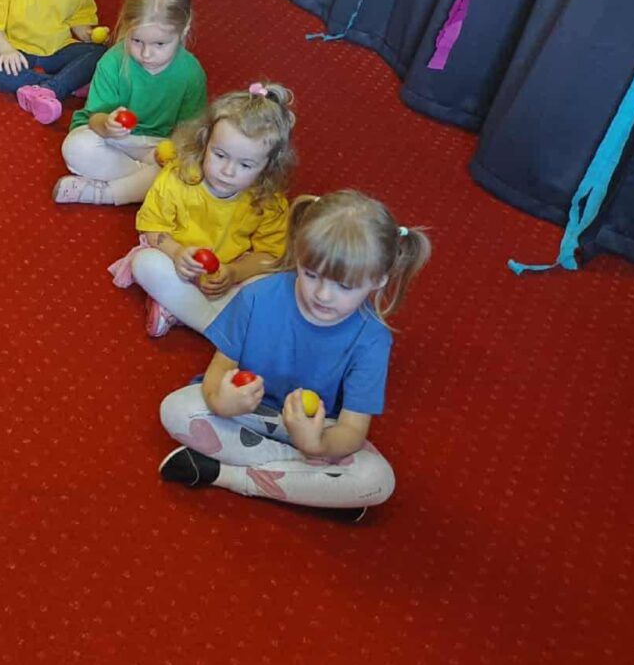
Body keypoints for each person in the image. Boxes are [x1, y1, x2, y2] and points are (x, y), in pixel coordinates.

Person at [157, 190, 431, 521]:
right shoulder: (258, 296)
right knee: (176, 409)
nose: (323, 295)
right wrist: (222, 403)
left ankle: (226, 475)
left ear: (378, 280)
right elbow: (218, 373)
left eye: (345, 286)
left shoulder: (373, 339)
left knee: (377, 481)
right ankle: (310, 485)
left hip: (316, 429)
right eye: (311, 274)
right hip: (248, 414)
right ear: (299, 254)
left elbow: (352, 430)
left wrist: (315, 444)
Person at [111, 83, 296, 336]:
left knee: (278, 284)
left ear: (268, 166)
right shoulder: (179, 176)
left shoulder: (268, 201)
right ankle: (218, 329)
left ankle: (179, 308)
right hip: (176, 262)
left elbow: (271, 255)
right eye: (220, 155)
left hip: (229, 275)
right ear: (205, 140)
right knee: (145, 264)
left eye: (245, 165)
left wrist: (234, 273)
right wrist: (177, 253)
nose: (228, 171)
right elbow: (152, 227)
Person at [54, 0, 206, 205]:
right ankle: (149, 187)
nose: (146, 54)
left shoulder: (191, 73)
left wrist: (170, 154)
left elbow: (189, 134)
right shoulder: (112, 62)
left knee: (192, 166)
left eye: (159, 44)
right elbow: (93, 119)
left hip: (159, 146)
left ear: (183, 30)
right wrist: (107, 126)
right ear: (127, 27)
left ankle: (105, 193)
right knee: (76, 147)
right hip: (116, 141)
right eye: (136, 41)